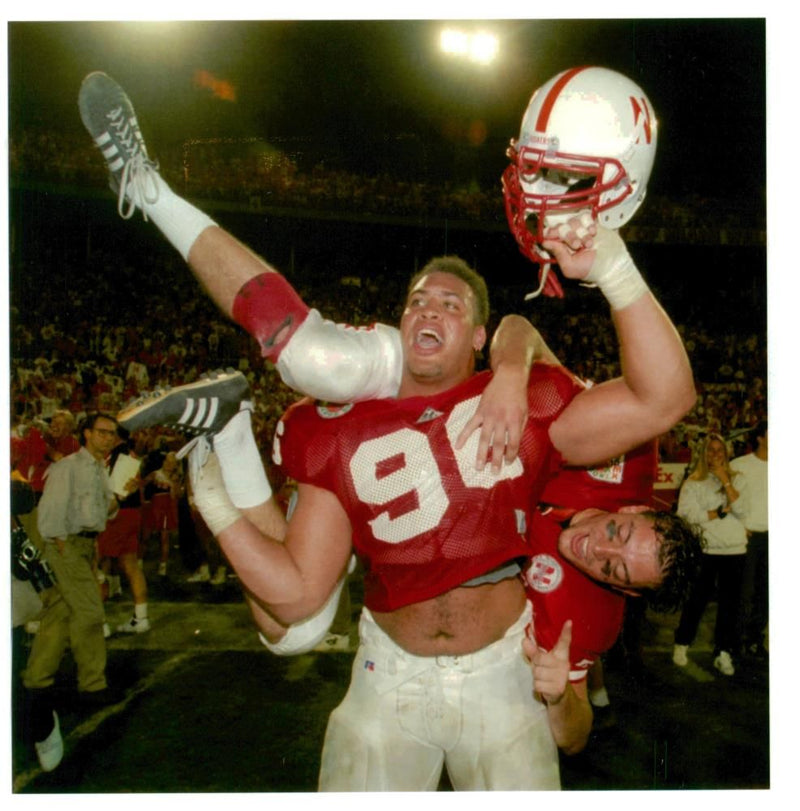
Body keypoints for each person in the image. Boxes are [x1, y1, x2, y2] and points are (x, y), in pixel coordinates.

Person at [83, 68, 694, 789]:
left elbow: (662, 397)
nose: (603, 548)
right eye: (417, 301)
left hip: (498, 676)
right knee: (312, 387)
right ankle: (150, 189)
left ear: (476, 337)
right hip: (387, 665)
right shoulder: (363, 412)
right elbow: (520, 332)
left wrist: (610, 269)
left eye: (451, 306)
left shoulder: (533, 420)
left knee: (297, 630)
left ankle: (225, 432)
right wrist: (510, 361)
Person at [21, 412, 124, 741]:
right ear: (87, 434)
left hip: (83, 546)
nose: (108, 438)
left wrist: (120, 497)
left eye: (112, 434)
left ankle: (37, 678)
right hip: (65, 546)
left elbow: (101, 512)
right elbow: (50, 512)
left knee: (61, 613)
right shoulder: (68, 467)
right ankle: (93, 685)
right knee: (90, 612)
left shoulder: (99, 470)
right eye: (102, 432)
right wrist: (64, 548)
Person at [672, 433, 749, 676]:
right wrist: (716, 513)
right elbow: (685, 514)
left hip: (735, 551)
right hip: (705, 550)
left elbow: (743, 509)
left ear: (726, 453)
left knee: (729, 605)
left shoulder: (739, 479)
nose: (715, 454)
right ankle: (682, 643)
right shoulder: (693, 482)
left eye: (720, 450)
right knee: (696, 601)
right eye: (710, 450)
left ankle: (723, 652)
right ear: (703, 453)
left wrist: (726, 481)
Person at [97, 430, 151, 633]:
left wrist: (101, 516)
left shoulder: (121, 454)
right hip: (131, 513)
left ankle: (101, 624)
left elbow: (118, 492)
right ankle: (141, 617)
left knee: (97, 564)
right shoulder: (127, 454)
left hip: (118, 514)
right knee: (130, 563)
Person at [730, 419, 768, 658]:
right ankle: (736, 642)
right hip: (748, 537)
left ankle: (755, 640)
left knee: (767, 593)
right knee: (743, 593)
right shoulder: (740, 465)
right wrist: (738, 526)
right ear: (760, 438)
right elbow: (728, 499)